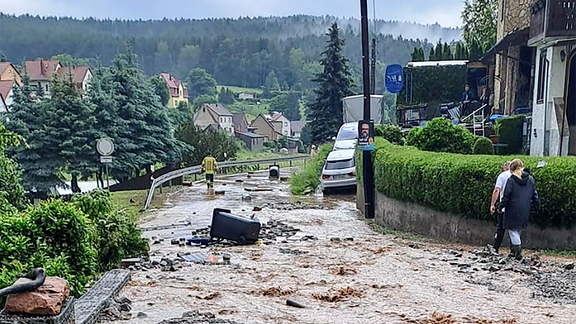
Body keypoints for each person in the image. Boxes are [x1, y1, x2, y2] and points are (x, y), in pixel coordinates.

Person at [500, 159, 539, 260]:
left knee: (512, 230)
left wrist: (501, 206)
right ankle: (514, 251)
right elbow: (534, 195)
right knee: (518, 229)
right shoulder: (530, 179)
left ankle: (518, 251)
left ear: (511, 168)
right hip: (525, 208)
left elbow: (506, 196)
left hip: (512, 208)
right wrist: (536, 205)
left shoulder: (511, 180)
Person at [490, 161, 512, 254]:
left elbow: (496, 190)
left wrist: (492, 204)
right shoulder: (519, 175)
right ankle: (513, 250)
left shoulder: (502, 175)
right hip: (515, 207)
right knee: (513, 230)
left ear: (505, 168)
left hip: (504, 207)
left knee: (500, 229)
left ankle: (496, 248)